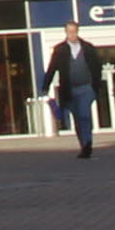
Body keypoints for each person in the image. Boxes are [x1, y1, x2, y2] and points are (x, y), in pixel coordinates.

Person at [42, 24, 99, 159]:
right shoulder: (60, 50)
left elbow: (97, 67)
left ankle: (88, 143)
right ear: (66, 32)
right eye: (69, 32)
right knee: (77, 117)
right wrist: (45, 86)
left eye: (74, 32)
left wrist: (96, 86)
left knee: (85, 115)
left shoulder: (88, 48)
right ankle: (84, 145)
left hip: (86, 87)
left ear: (77, 32)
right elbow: (52, 68)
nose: (72, 34)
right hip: (69, 89)